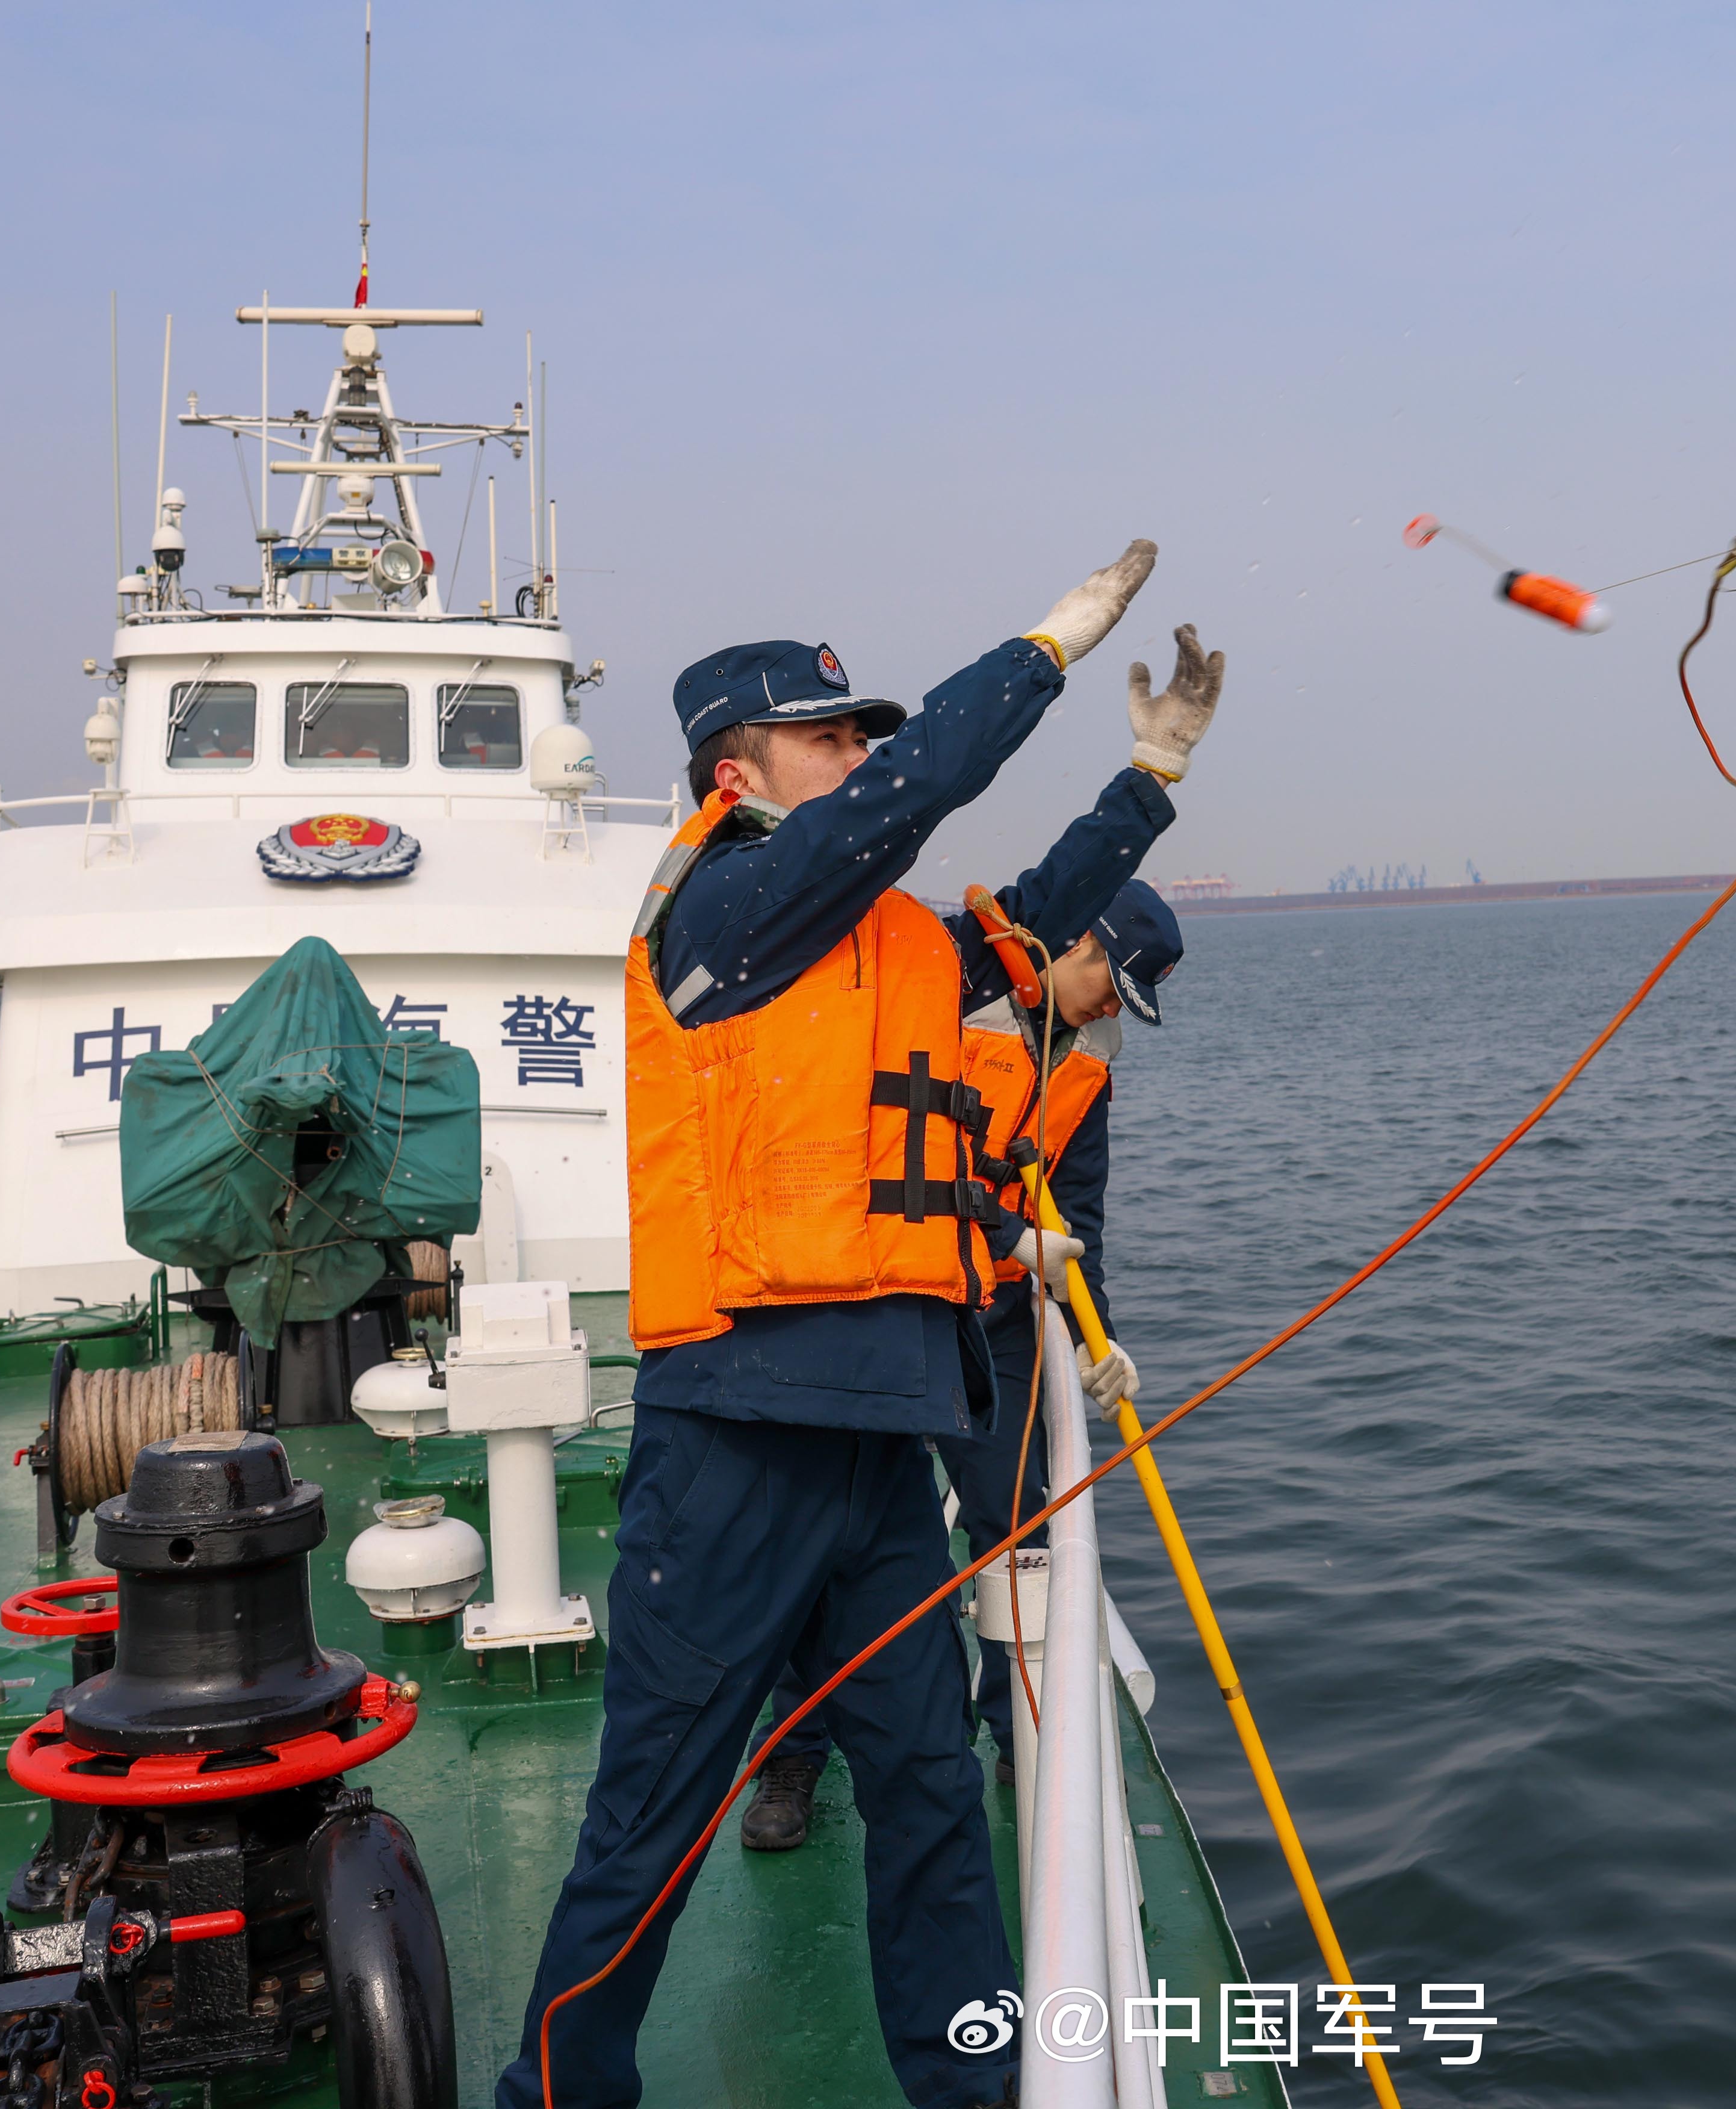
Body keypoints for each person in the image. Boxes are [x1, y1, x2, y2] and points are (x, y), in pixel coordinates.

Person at [498, 541, 1226, 2109]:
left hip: (886, 1442)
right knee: (651, 1822)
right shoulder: (723, 909)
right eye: (826, 736)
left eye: (859, 735)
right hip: (737, 1433)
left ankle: (976, 2089)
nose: (857, 756)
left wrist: (1148, 782)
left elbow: (1034, 923)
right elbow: (915, 794)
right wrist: (1044, 648)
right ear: (736, 772)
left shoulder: (875, 940)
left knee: (932, 1787)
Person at [740, 877, 1188, 1850]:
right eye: (1110, 988)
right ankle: (793, 1752)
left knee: (1015, 1527)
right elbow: (884, 1150)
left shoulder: (1088, 1066)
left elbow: (1081, 1220)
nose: (1108, 1013)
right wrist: (1004, 1233)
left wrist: (1097, 1338)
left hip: (997, 1320)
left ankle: (1018, 1735)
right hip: (890, 1297)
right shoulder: (946, 995)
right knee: (829, 1531)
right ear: (1079, 945)